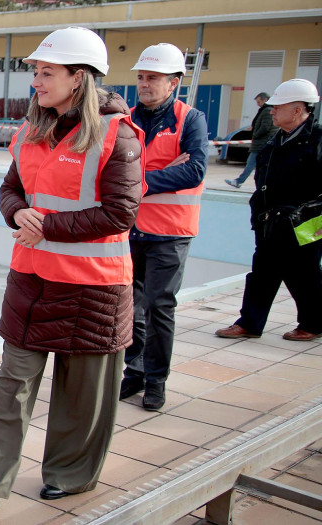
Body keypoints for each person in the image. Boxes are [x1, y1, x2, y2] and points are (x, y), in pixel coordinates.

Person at [0, 27, 143, 510]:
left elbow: (121, 213)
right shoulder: (29, 131)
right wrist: (17, 212)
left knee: (83, 397)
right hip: (32, 283)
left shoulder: (118, 137)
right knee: (11, 386)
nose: (36, 80)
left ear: (79, 78)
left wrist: (48, 226)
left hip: (94, 290)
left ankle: (70, 474)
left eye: (47, 72)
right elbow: (11, 189)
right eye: (35, 71)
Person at [120, 43, 209, 411]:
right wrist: (161, 173)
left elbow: (194, 169)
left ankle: (156, 380)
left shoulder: (191, 120)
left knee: (159, 307)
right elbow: (113, 168)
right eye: (141, 77)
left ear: (173, 83)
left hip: (170, 232)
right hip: (130, 229)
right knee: (131, 307)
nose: (144, 83)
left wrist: (139, 181)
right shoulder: (126, 118)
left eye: (153, 78)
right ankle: (135, 370)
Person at [216, 79, 322, 342]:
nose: (271, 111)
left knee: (305, 273)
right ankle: (250, 323)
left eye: (278, 107)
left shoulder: (318, 140)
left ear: (297, 110)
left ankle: (313, 323)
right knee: (262, 273)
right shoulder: (277, 140)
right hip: (271, 221)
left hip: (306, 223)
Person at [226, 92, 274, 188]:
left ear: (266, 100)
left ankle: (239, 181)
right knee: (258, 165)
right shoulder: (266, 110)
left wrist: (255, 134)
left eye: (259, 102)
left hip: (261, 143)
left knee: (251, 163)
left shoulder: (267, 110)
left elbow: (265, 127)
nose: (258, 104)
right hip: (262, 142)